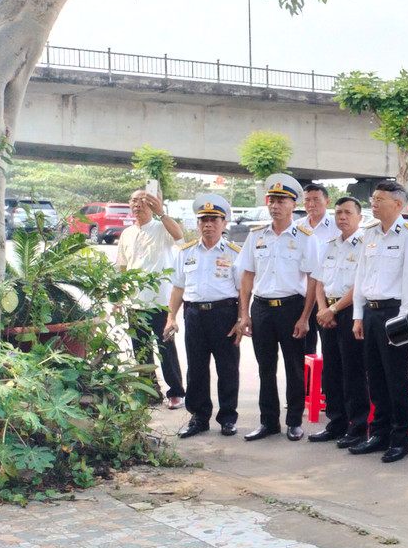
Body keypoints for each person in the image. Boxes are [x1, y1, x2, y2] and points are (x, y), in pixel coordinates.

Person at [235, 174, 321, 441]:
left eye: (281, 200)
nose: (275, 205)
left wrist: (306, 316)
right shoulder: (256, 235)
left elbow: (312, 279)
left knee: (295, 367)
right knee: (265, 367)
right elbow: (247, 275)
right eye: (271, 200)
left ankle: (294, 421)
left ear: (293, 204)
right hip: (262, 308)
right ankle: (268, 421)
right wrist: (244, 314)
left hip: (292, 307)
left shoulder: (306, 237)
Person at [349, 179, 408, 463]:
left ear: (397, 204)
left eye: (379, 199)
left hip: (395, 313)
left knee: (396, 379)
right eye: (373, 199)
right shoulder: (369, 233)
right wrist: (358, 315)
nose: (373, 203)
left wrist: (405, 321)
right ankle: (378, 432)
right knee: (375, 376)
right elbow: (361, 276)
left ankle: (399, 437)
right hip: (370, 312)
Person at [164, 195, 241, 437]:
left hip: (225, 314)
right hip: (195, 315)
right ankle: (199, 418)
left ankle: (228, 418)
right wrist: (171, 318)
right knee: (196, 368)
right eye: (203, 220)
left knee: (227, 367)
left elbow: (243, 290)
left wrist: (241, 319)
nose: (208, 224)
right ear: (197, 224)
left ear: (224, 223)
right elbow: (178, 287)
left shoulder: (235, 252)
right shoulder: (185, 252)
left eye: (213, 220)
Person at [308, 196, 371, 447]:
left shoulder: (366, 245)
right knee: (331, 370)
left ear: (359, 217)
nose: (342, 217)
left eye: (347, 213)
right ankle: (336, 422)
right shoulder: (329, 245)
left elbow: (361, 284)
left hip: (351, 311)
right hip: (328, 313)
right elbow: (319, 281)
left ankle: (357, 426)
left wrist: (333, 309)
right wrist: (323, 309)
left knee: (352, 371)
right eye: (338, 213)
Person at [116, 188, 187, 409]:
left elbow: (179, 236)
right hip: (135, 302)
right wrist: (119, 297)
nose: (137, 205)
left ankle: (176, 392)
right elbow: (122, 267)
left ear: (153, 205)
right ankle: (149, 391)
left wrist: (161, 213)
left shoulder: (160, 228)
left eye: (143, 201)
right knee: (140, 349)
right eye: (134, 201)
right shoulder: (127, 233)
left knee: (165, 347)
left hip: (161, 301)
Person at [298, 181, 337, 355]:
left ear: (327, 202)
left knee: (331, 346)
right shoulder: (297, 228)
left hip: (327, 294)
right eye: (307, 200)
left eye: (316, 199)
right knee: (306, 347)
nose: (311, 204)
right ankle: (308, 383)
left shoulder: (337, 226)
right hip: (304, 295)